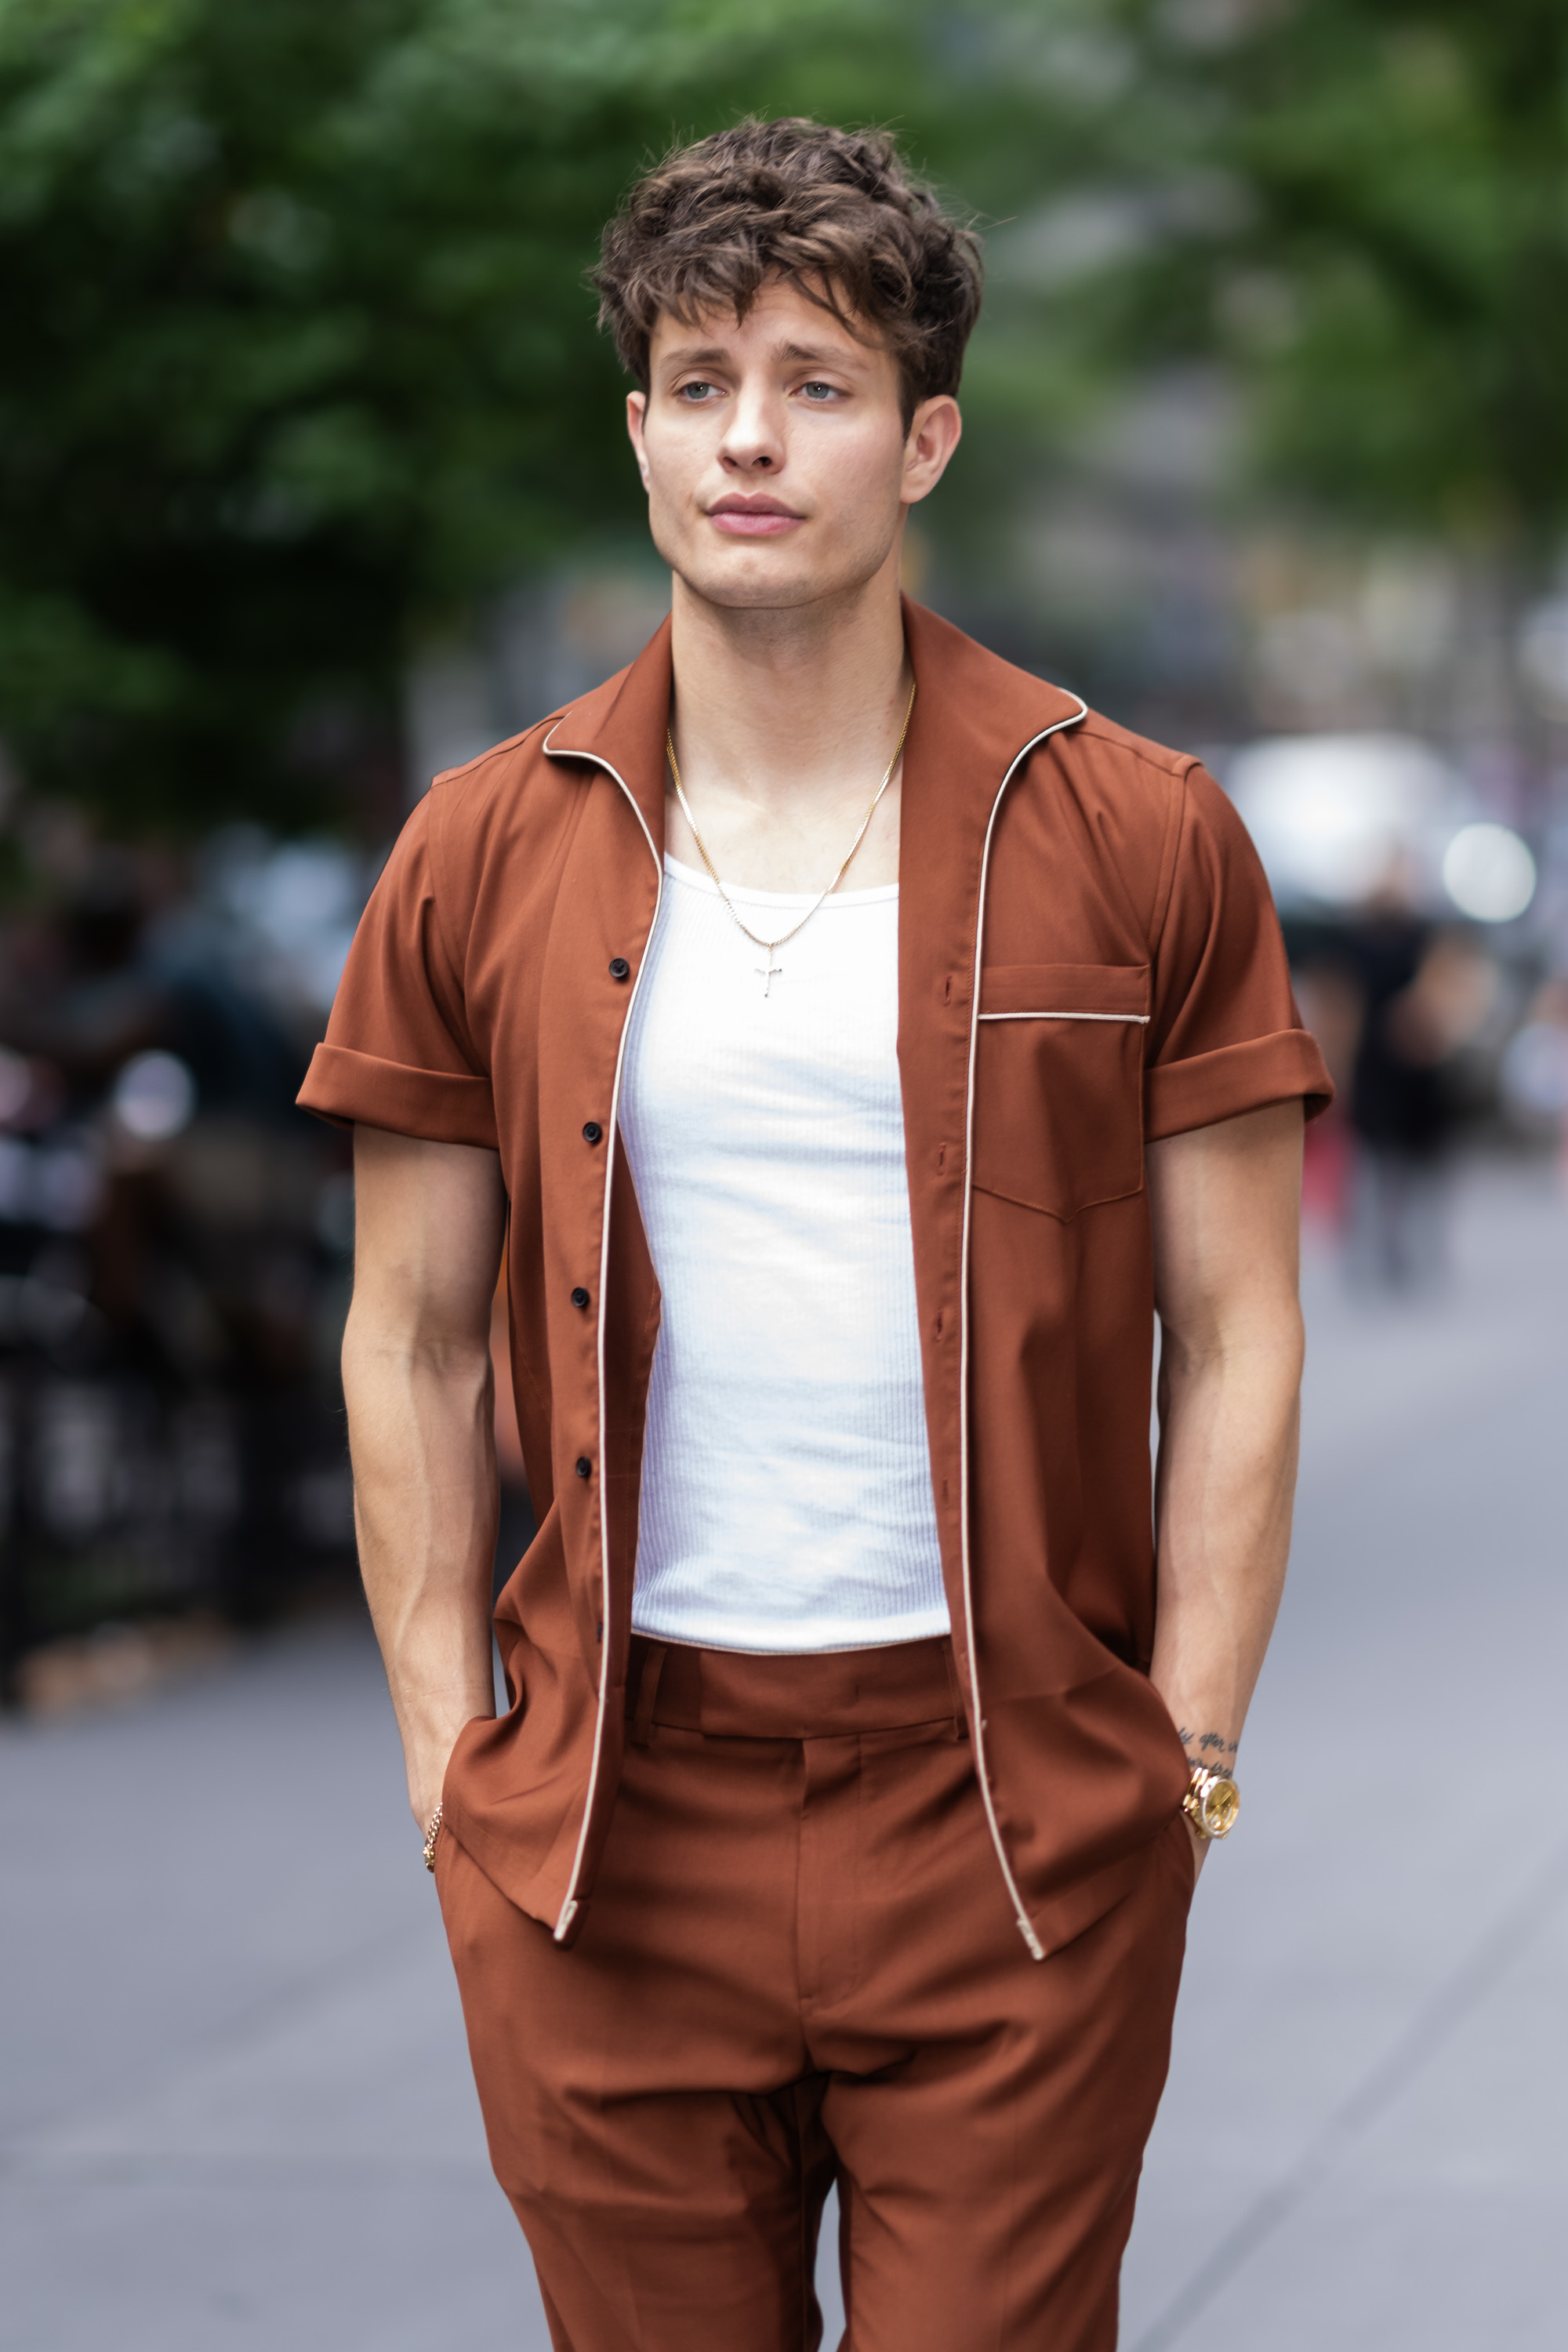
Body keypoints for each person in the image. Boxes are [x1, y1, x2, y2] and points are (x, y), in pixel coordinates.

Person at [300, 118, 1331, 2352]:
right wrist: (438, 1753)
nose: (749, 438)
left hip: (1010, 1815)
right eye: (697, 382)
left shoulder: (1140, 831)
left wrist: (1190, 1758)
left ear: (925, 438)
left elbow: (1241, 1329)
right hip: (604, 1823)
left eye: (817, 383)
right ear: (644, 427)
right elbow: (406, 1333)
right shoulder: (480, 850)